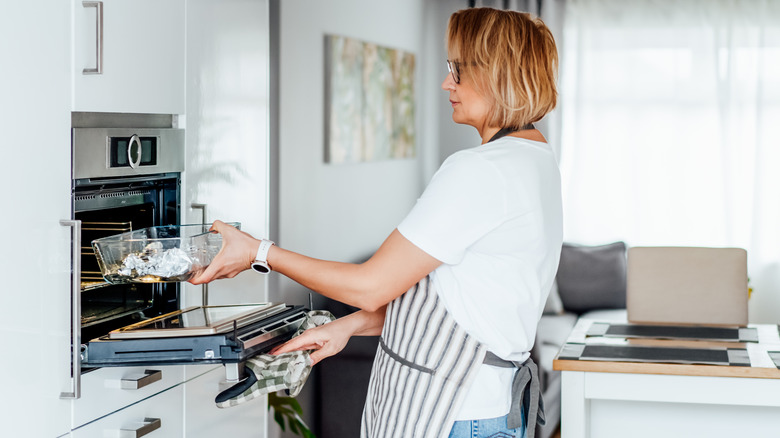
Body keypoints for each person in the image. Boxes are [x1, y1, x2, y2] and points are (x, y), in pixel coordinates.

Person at [191, 7, 561, 438]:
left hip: (455, 415)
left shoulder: (482, 171)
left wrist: (258, 252)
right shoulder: (535, 160)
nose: (447, 83)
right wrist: (349, 325)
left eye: (457, 70)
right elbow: (459, 307)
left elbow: (369, 285)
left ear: (496, 73)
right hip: (489, 409)